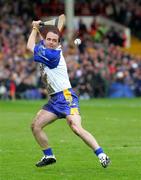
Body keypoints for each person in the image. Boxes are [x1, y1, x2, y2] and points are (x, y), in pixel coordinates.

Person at [27, 17, 110, 168]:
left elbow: (29, 46)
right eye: (49, 39)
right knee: (35, 126)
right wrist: (38, 29)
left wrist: (34, 28)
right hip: (54, 100)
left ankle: (102, 154)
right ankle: (49, 155)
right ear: (45, 40)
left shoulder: (53, 55)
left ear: (58, 43)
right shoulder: (46, 47)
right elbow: (40, 43)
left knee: (76, 128)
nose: (51, 42)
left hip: (65, 97)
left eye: (54, 40)